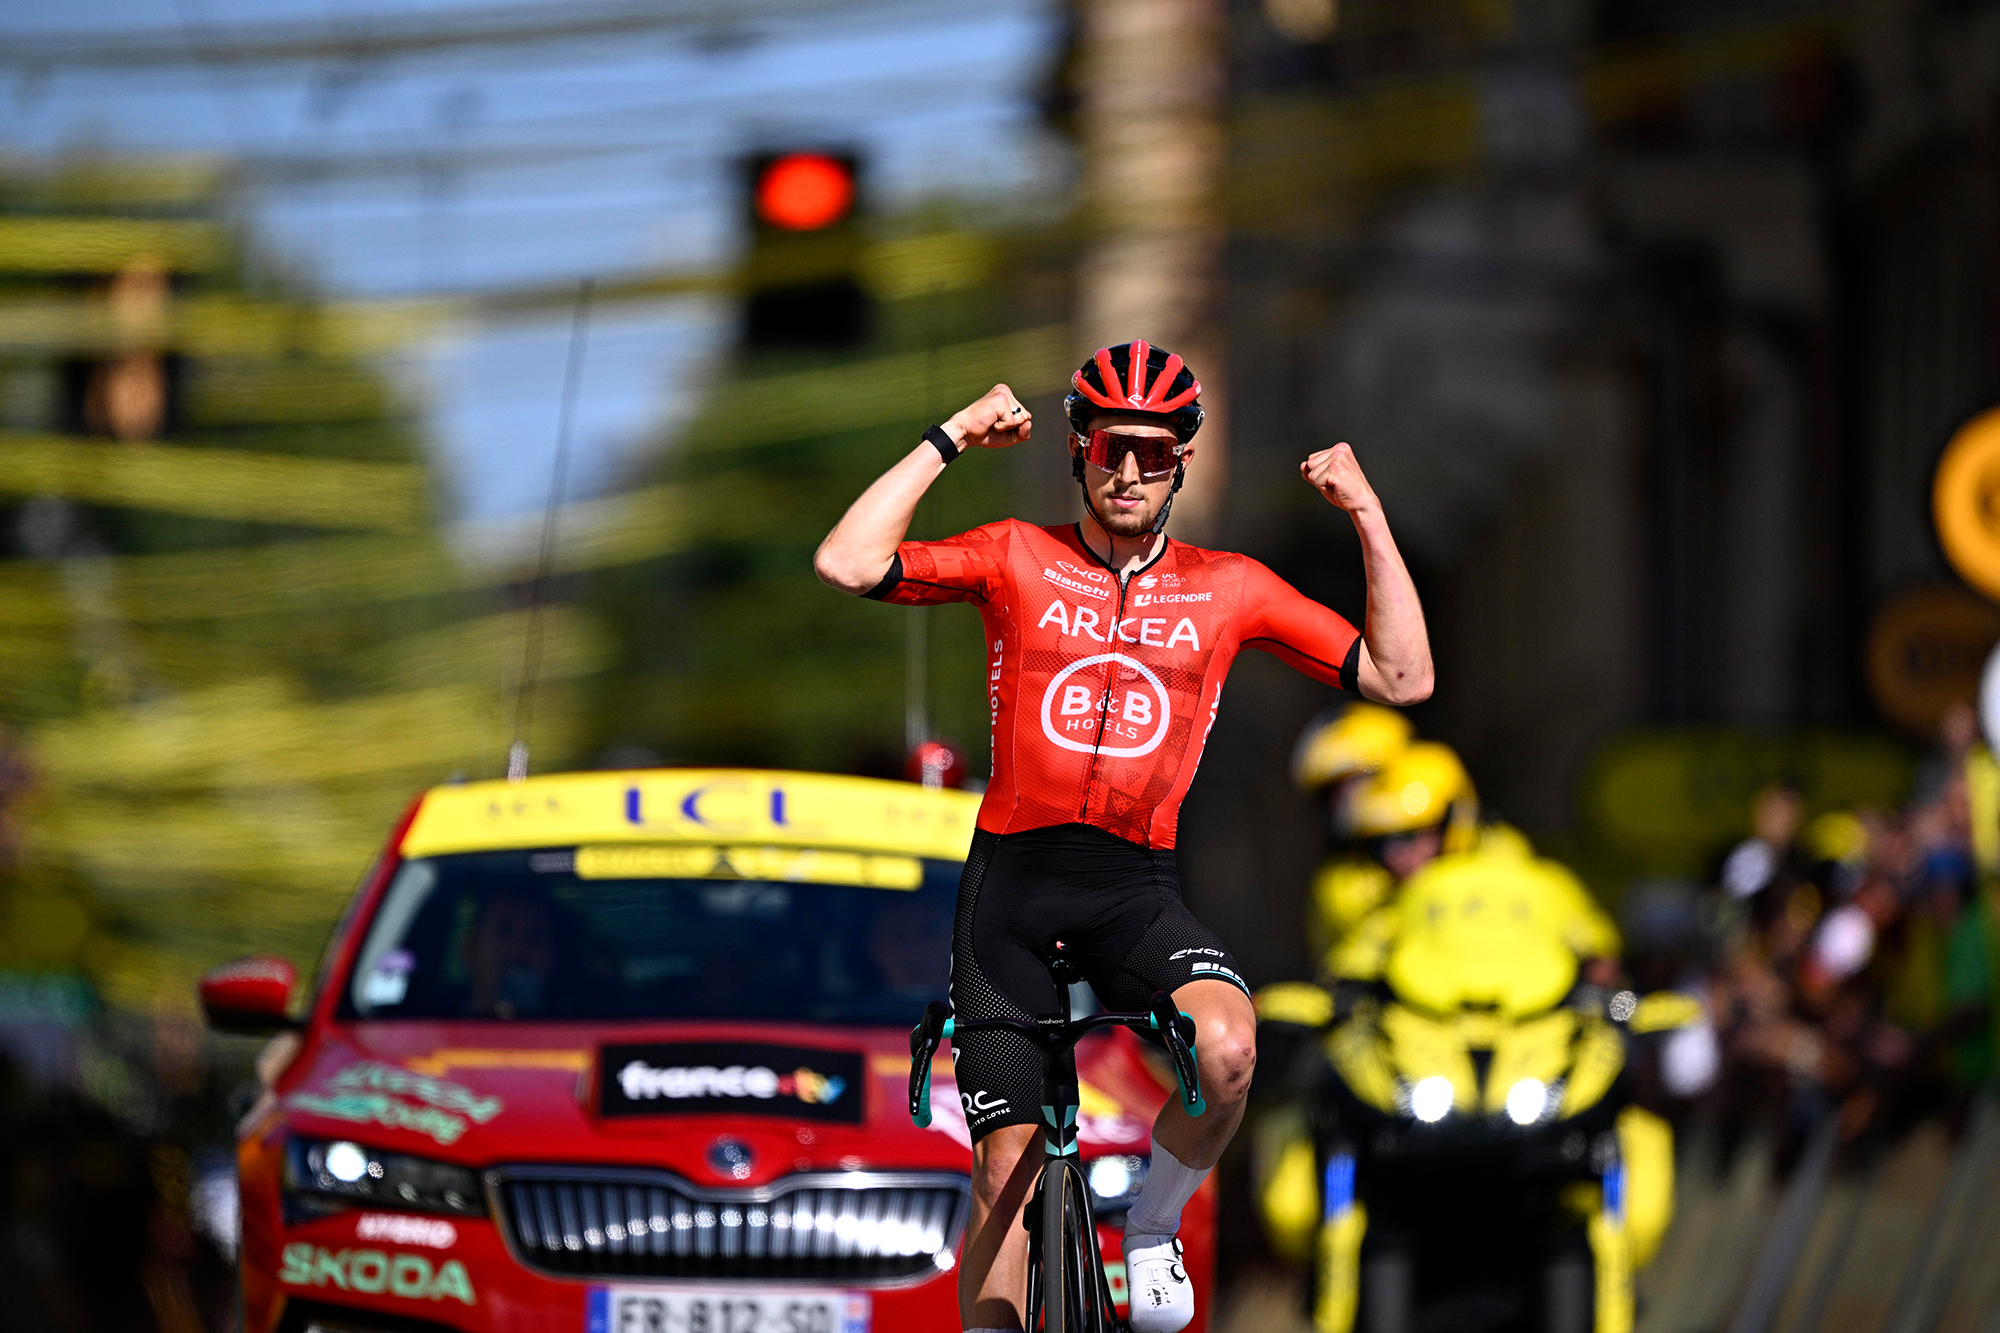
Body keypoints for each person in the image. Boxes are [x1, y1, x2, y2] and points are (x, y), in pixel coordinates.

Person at [815, 341, 1432, 1333]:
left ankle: (1151, 1219)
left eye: (1155, 452)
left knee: (1227, 1049)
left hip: (1131, 884)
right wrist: (953, 435)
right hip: (1010, 886)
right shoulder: (1017, 553)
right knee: (1003, 1173)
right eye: (1112, 449)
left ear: (1181, 460)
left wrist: (1364, 509)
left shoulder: (1227, 585)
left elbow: (1401, 680)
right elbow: (845, 562)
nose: (1131, 471)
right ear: (1079, 450)